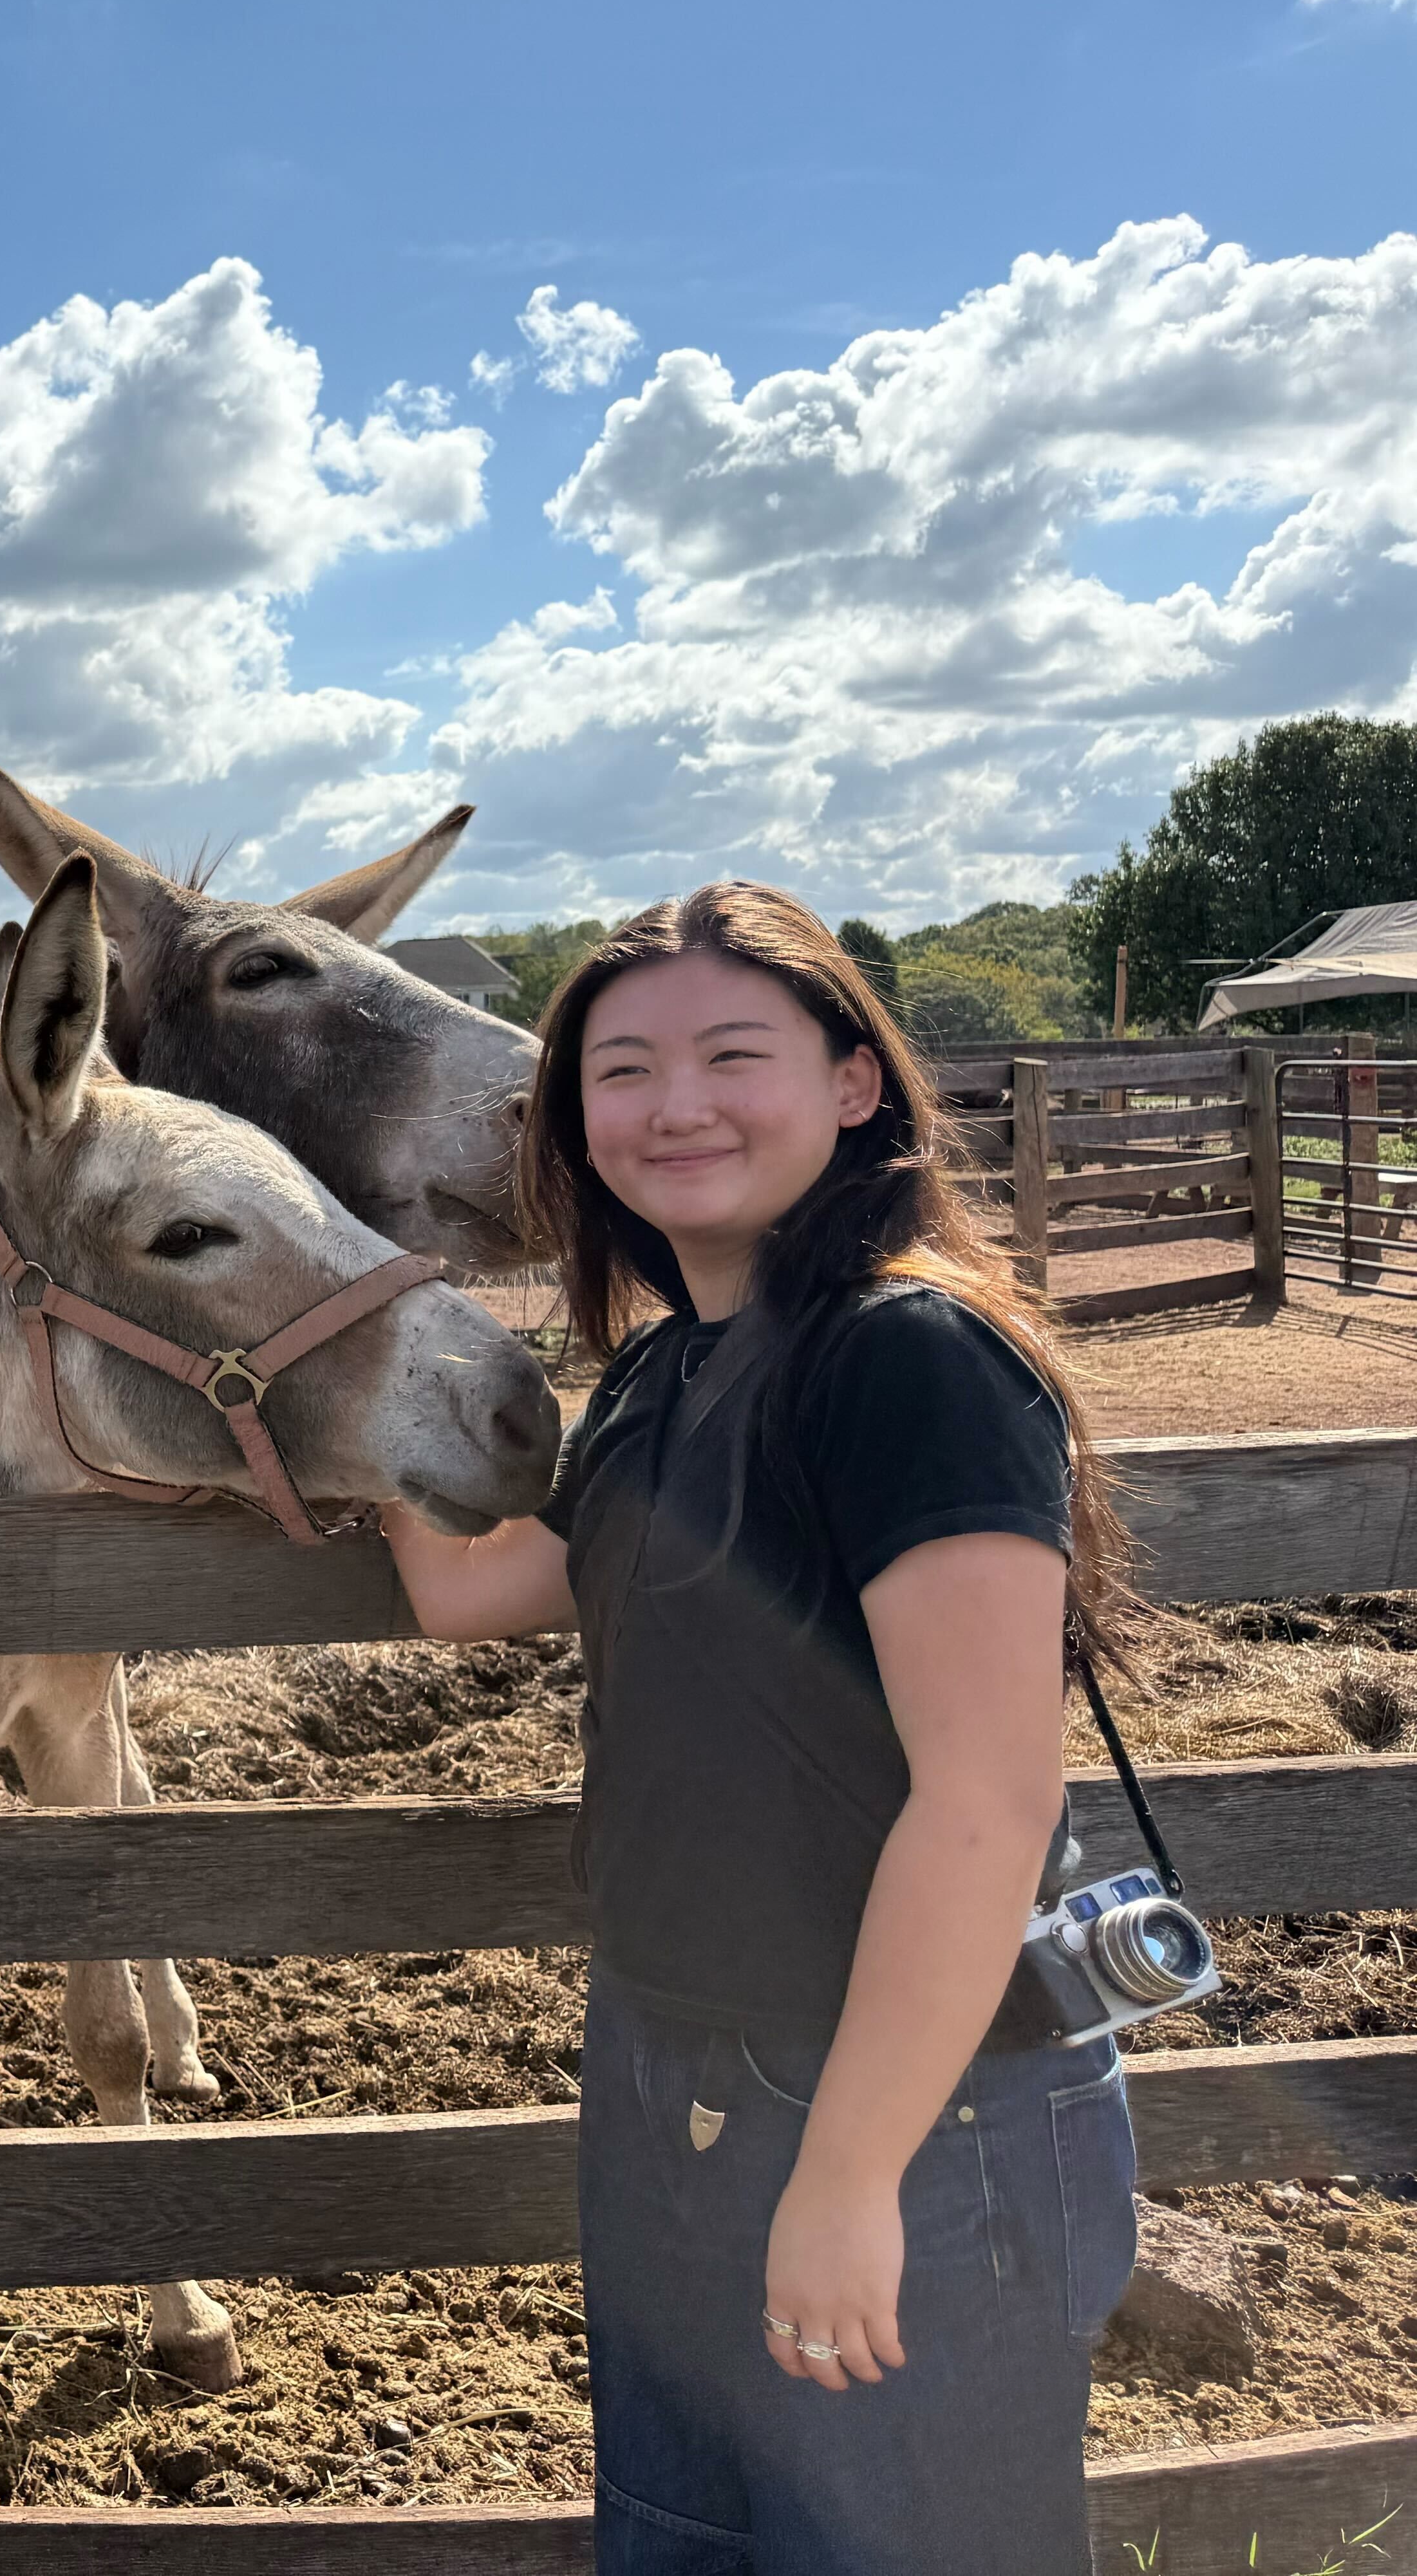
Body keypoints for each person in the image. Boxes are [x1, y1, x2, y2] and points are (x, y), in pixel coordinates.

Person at [385, 883, 1143, 2573]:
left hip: (910, 2106)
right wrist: (336, 1371)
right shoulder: (662, 1374)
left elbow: (986, 1799)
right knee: (691, 2541)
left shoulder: (910, 1358)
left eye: (735, 1055)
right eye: (623, 1071)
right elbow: (468, 1589)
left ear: (855, 1082)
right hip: (673, 2066)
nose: (677, 1106)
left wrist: (851, 2174)